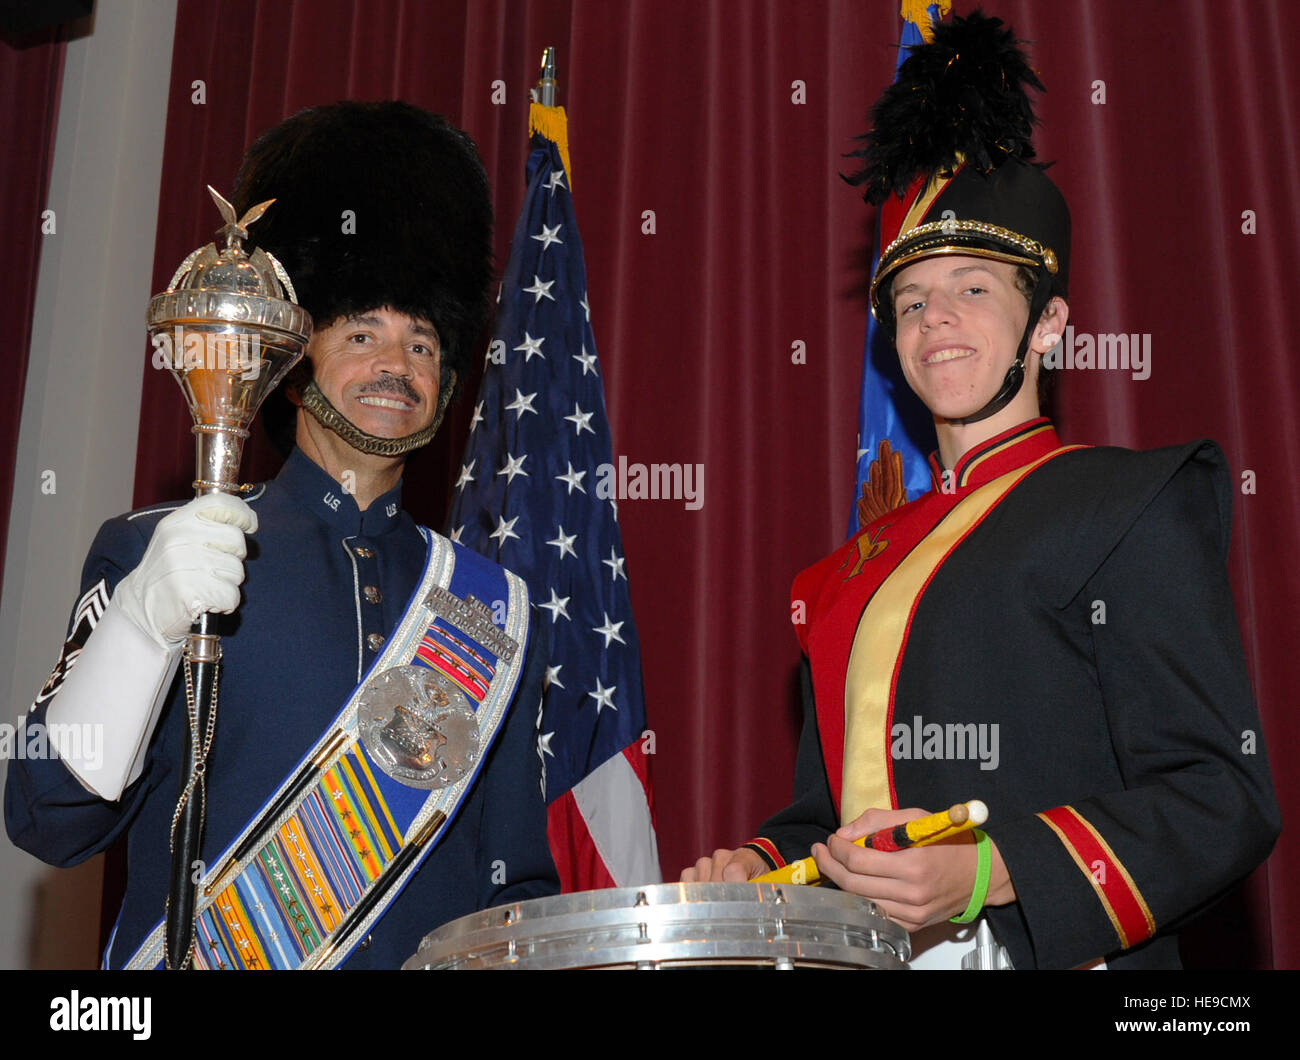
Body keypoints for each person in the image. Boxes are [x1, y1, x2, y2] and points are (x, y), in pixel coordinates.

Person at [682, 12, 1279, 970]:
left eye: (973, 288)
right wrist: (757, 864)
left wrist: (994, 871)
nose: (936, 320)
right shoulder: (851, 572)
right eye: (911, 300)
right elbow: (833, 820)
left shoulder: (1127, 504)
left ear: (1048, 324)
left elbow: (1222, 796)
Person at [5, 101, 559, 969]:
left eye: (423, 343)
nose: (397, 365)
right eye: (363, 332)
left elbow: (517, 891)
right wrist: (141, 628)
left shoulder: (491, 607)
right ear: (294, 367)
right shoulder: (158, 548)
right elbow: (45, 813)